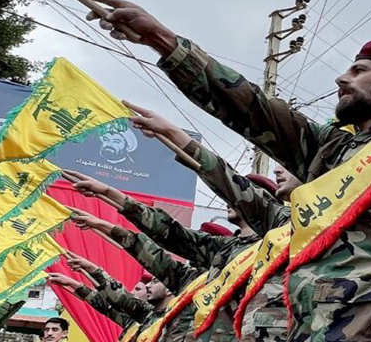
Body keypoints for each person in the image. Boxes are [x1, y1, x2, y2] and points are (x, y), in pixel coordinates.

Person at [84, 0, 371, 342]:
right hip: (305, 324)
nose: (341, 78)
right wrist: (163, 39)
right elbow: (253, 109)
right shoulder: (333, 151)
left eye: (359, 69)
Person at [124, 100, 301, 342]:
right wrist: (113, 200)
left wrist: (175, 135)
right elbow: (173, 236)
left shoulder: (294, 229)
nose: (279, 171)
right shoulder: (230, 249)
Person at [65, 214, 203, 342]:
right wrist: (88, 271)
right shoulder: (148, 316)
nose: (148, 286)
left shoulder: (185, 315)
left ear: (170, 289)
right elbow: (112, 303)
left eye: (154, 282)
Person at [48, 270, 153, 331]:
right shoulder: (132, 321)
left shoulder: (155, 319)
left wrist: (90, 268)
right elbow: (105, 307)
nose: (132, 292)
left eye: (138, 289)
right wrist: (72, 283)